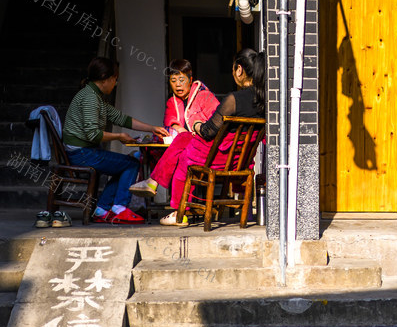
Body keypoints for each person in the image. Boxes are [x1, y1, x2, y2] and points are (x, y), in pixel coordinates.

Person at [128, 48, 265, 225]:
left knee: (183, 155)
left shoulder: (233, 99)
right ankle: (153, 182)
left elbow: (208, 131)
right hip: (241, 159)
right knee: (183, 140)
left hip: (218, 158)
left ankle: (178, 212)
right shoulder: (265, 101)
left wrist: (197, 124)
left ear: (239, 70)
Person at [61, 57, 168, 224]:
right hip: (81, 153)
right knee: (131, 164)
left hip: (83, 151)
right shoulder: (90, 98)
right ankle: (119, 208)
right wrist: (119, 136)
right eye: (115, 79)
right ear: (106, 79)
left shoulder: (95, 96)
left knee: (125, 165)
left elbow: (121, 118)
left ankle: (102, 209)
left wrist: (151, 128)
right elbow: (93, 135)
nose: (115, 83)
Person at [163, 58, 220, 136]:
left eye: (182, 80)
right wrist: (177, 127)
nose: (177, 84)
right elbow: (168, 122)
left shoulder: (205, 96)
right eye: (173, 80)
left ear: (190, 80)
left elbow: (218, 119)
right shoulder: (172, 102)